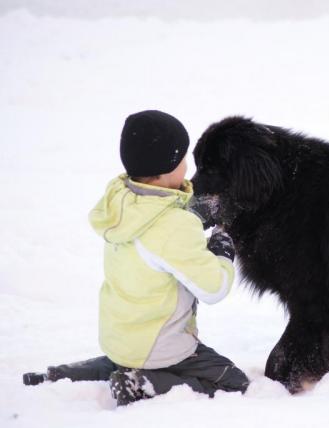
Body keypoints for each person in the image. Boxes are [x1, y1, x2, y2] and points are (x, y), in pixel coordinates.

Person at [22, 110, 249, 406]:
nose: (188, 168)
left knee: (124, 358)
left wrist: (190, 215)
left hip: (121, 339)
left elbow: (155, 235)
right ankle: (142, 384)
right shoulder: (172, 227)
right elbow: (213, 288)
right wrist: (221, 247)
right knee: (235, 384)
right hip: (163, 348)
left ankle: (61, 375)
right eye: (184, 160)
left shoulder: (119, 202)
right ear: (169, 169)